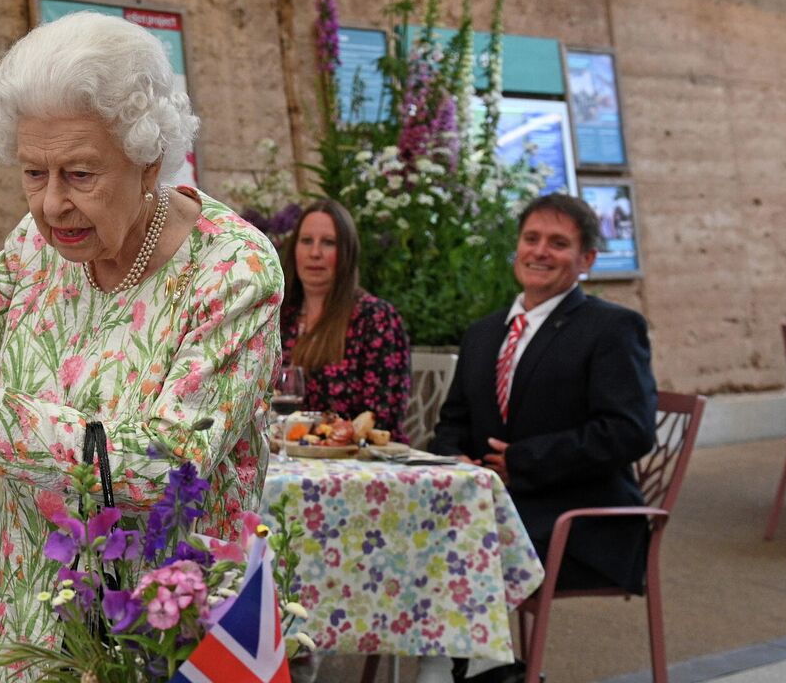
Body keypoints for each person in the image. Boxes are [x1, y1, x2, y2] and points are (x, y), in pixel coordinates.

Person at [0, 12, 284, 678]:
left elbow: (164, 466)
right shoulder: (38, 242)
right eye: (32, 173)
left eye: (80, 174)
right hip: (32, 606)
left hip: (161, 621)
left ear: (149, 160)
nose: (51, 205)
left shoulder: (233, 270)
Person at [428, 192, 656, 683]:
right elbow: (451, 422)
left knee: (456, 543)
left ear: (586, 260)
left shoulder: (612, 328)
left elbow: (630, 431)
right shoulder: (484, 334)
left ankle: (478, 671)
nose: (540, 251)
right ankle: (469, 668)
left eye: (558, 243)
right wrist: (456, 459)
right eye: (531, 238)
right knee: (411, 525)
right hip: (495, 509)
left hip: (581, 520)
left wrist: (525, 461)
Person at [279, 199, 411, 436]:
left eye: (329, 243)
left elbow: (381, 418)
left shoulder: (376, 319)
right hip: (285, 455)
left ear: (347, 252)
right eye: (306, 241)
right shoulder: (280, 316)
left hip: (355, 461)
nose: (315, 253)